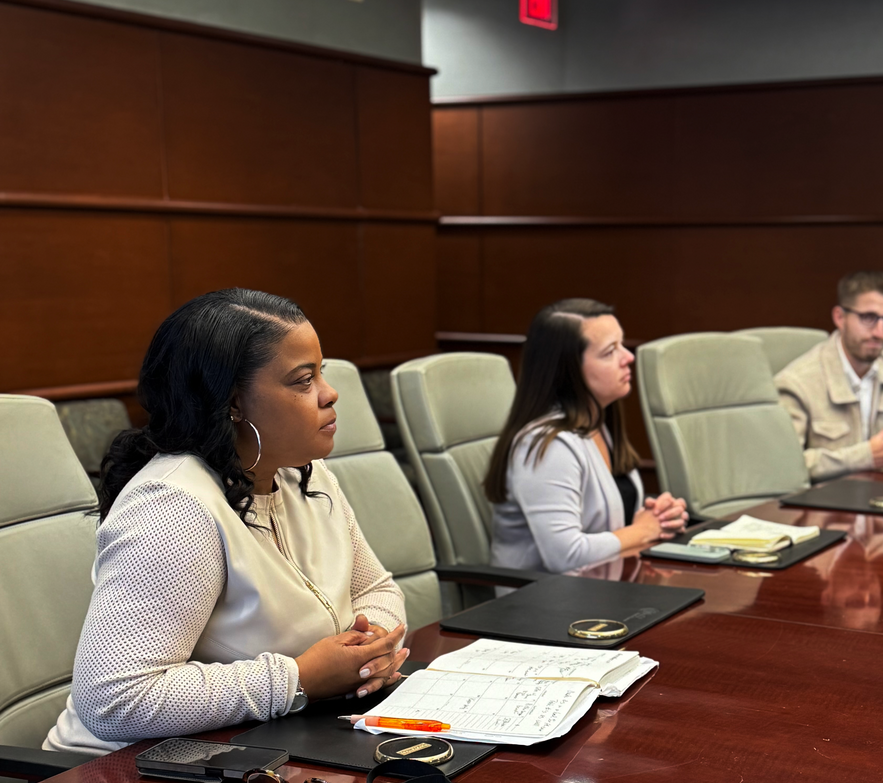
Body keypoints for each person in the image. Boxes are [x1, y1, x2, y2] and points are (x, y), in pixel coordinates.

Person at [47, 289, 408, 755]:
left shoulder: (304, 475)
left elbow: (376, 589)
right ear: (233, 404)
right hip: (123, 782)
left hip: (260, 746)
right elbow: (114, 699)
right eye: (302, 380)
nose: (329, 393)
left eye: (322, 373)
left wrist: (369, 650)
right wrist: (297, 679)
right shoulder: (173, 506)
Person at [486, 298, 688, 572]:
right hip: (545, 608)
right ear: (568, 371)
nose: (628, 357)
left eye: (622, 344)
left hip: (602, 591)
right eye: (609, 352)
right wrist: (643, 531)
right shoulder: (547, 446)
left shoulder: (598, 424)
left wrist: (659, 517)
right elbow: (565, 556)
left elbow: (606, 524)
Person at [775, 270, 883, 480]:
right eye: (868, 318)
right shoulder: (797, 382)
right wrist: (866, 456)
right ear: (840, 317)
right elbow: (785, 466)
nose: (879, 332)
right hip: (828, 502)